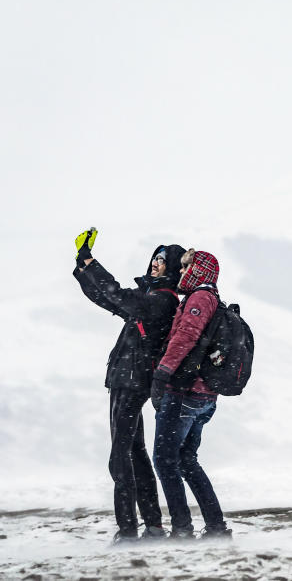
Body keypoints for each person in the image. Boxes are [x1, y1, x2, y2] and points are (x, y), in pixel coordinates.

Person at [72, 229, 186, 545]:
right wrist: (82, 270)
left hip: (132, 381)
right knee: (134, 453)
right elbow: (106, 297)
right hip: (128, 380)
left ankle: (129, 532)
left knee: (121, 456)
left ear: (173, 269)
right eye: (155, 258)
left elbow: (118, 294)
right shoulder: (152, 299)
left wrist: (90, 262)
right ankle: (151, 526)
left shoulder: (161, 300)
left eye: (162, 261)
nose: (156, 264)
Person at [150, 248, 232, 539]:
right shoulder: (214, 300)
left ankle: (183, 528)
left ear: (199, 270)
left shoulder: (200, 298)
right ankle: (216, 527)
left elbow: (186, 336)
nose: (182, 273)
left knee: (163, 458)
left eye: (187, 267)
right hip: (205, 397)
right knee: (186, 460)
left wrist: (162, 373)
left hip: (184, 392)